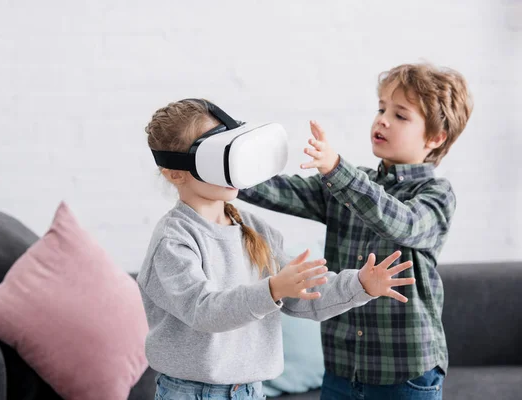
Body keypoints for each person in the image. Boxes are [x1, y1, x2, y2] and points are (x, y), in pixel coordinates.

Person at [137, 98, 416, 400]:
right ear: (174, 172)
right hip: (190, 393)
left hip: (251, 391)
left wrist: (359, 285)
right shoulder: (174, 240)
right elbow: (204, 311)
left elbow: (302, 296)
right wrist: (271, 290)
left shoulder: (253, 228)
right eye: (217, 156)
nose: (231, 166)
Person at [238, 63, 473, 399]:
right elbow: (282, 191)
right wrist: (229, 171)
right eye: (381, 109)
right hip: (341, 368)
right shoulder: (350, 185)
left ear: (436, 137)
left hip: (406, 374)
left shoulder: (436, 195)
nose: (382, 119)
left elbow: (401, 223)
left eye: (401, 115)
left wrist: (336, 169)